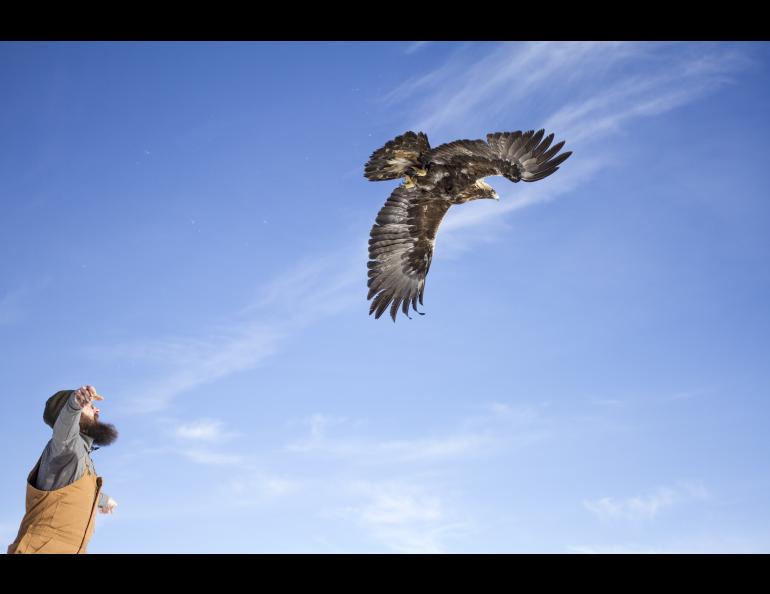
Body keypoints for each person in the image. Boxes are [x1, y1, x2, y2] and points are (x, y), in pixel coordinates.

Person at [7, 385, 119, 554]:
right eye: (90, 406)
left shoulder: (82, 457)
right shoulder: (65, 446)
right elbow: (65, 430)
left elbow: (72, 492)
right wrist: (74, 404)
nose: (97, 410)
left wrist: (103, 500)